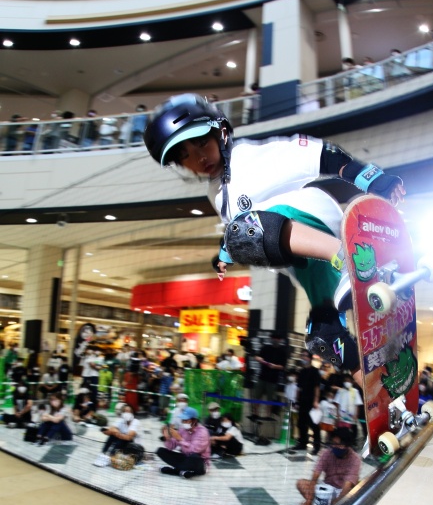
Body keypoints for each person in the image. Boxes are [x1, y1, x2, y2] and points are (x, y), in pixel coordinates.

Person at [143, 93, 405, 380]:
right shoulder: (215, 193)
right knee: (325, 336)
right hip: (309, 266)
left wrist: (370, 177)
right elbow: (236, 229)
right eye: (185, 155)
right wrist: (223, 254)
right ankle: (381, 391)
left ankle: (350, 259)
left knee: (244, 230)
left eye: (202, 143)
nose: (199, 157)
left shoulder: (248, 157)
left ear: (220, 133)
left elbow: (321, 154)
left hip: (318, 225)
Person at [297, 426, 361, 505]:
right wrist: (309, 500)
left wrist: (336, 502)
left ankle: (325, 503)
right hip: (327, 488)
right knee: (301, 483)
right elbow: (315, 477)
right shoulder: (326, 453)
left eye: (339, 444)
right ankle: (319, 502)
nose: (335, 447)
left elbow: (347, 485)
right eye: (333, 443)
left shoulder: (355, 459)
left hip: (342, 490)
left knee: (354, 495)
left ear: (347, 445)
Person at [157, 406, 211, 478]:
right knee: (160, 451)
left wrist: (180, 439)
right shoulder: (182, 430)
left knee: (194, 457)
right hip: (185, 457)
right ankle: (184, 471)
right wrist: (167, 438)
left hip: (200, 462)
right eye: (183, 420)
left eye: (186, 420)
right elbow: (171, 446)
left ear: (194, 421)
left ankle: (174, 471)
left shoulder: (202, 432)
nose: (183, 422)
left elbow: (194, 450)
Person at [294, 350, 321, 455]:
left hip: (311, 400)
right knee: (301, 423)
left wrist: (316, 401)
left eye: (305, 356)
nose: (303, 357)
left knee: (313, 424)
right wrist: (297, 400)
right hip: (302, 400)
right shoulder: (301, 371)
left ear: (310, 358)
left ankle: (317, 445)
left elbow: (317, 387)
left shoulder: (315, 371)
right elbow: (298, 387)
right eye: (302, 355)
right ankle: (302, 443)